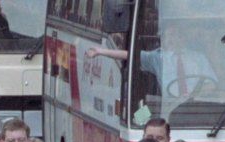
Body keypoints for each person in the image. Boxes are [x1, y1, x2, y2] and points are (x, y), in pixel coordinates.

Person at [87, 24, 216, 97]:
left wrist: (194, 95)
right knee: (140, 117)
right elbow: (131, 55)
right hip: (166, 108)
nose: (169, 40)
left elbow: (212, 84)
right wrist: (101, 52)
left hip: (197, 107)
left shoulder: (199, 58)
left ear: (182, 38)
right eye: (166, 36)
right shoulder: (158, 57)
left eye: (173, 35)